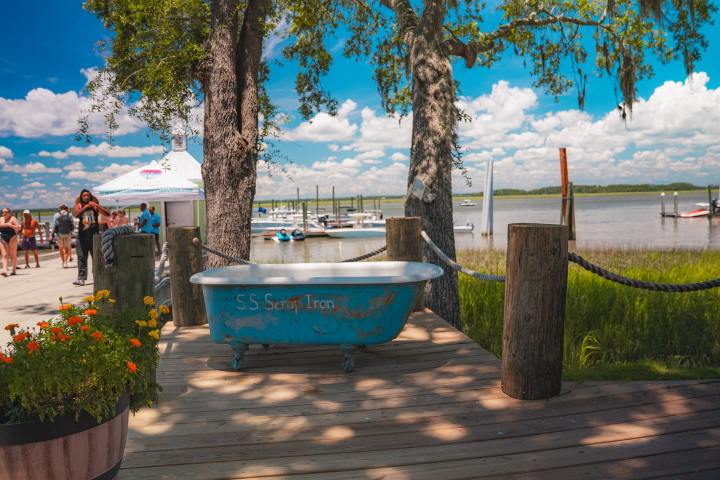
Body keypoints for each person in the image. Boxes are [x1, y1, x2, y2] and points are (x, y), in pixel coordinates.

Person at [72, 189, 110, 286]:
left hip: (94, 235)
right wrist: (86, 207)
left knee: (96, 257)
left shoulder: (95, 206)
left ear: (91, 196)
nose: (86, 197)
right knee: (81, 257)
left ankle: (98, 276)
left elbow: (107, 213)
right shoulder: (79, 206)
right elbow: (76, 215)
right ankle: (81, 278)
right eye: (84, 195)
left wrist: (96, 205)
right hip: (82, 235)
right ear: (81, 197)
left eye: (88, 195)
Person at [0, 208, 20, 277]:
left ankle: (14, 270)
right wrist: (6, 225)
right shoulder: (1, 219)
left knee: (13, 254)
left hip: (13, 238)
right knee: (4, 255)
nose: (4, 213)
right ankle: (4, 271)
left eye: (6, 212)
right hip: (3, 238)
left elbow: (18, 228)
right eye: (3, 212)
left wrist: (10, 225)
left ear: (10, 213)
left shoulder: (13, 219)